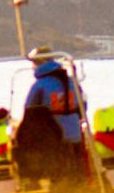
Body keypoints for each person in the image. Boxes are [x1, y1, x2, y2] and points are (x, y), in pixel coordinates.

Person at [9, 55, 90, 184]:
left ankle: (34, 183)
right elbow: (83, 108)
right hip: (75, 136)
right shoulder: (73, 83)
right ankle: (78, 190)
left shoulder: (39, 86)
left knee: (26, 153)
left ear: (38, 65)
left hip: (52, 139)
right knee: (75, 173)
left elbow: (29, 115)